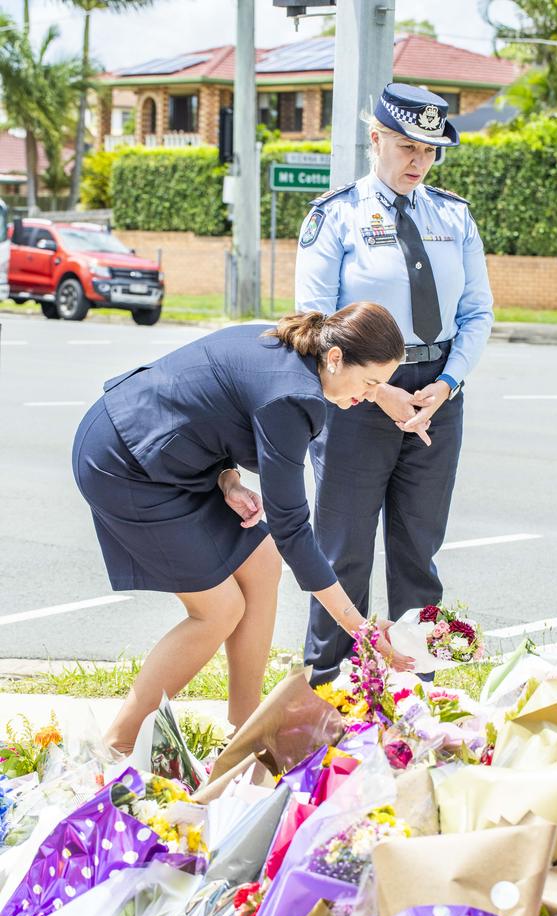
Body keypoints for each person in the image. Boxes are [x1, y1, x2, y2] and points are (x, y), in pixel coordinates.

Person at [72, 303, 413, 752]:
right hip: (125, 463)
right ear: (334, 359)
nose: (372, 395)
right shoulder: (295, 397)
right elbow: (292, 526)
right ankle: (116, 745)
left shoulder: (291, 350)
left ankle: (245, 728)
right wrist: (362, 632)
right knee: (218, 610)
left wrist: (227, 479)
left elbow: (209, 407)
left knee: (262, 558)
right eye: (370, 382)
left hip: (155, 450)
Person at [295, 82, 494, 685]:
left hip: (436, 394)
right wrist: (379, 391)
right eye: (407, 146)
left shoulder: (453, 216)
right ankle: (329, 687)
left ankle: (416, 693)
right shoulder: (337, 215)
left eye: (430, 151)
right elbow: (313, 319)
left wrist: (448, 384)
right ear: (375, 139)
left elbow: (477, 312)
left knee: (418, 553)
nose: (418, 162)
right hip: (357, 394)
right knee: (343, 550)